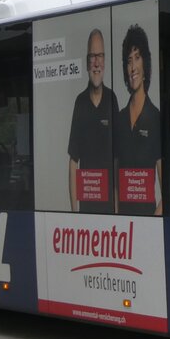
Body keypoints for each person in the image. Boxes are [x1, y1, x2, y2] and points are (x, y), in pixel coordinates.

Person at [67, 28, 118, 212]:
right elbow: (73, 162)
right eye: (92, 56)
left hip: (109, 210)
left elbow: (117, 158)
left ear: (105, 61)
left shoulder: (112, 99)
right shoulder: (80, 102)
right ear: (87, 63)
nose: (96, 62)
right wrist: (74, 213)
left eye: (100, 56)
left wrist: (117, 209)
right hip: (87, 209)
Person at [115, 24, 163, 215]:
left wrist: (152, 222)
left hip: (146, 224)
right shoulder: (119, 119)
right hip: (121, 232)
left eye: (137, 58)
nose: (133, 67)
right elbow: (115, 183)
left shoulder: (155, 118)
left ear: (146, 63)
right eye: (128, 61)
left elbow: (166, 186)